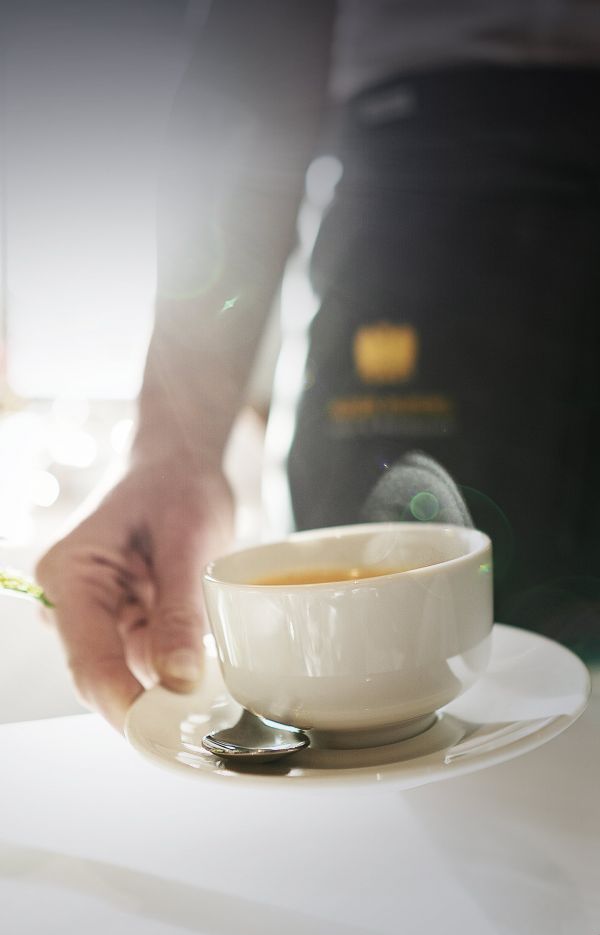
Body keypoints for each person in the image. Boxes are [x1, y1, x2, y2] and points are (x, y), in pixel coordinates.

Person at [36, 0, 600, 732]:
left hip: (422, 181)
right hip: (426, 198)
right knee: (376, 700)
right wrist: (174, 450)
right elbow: (258, 54)